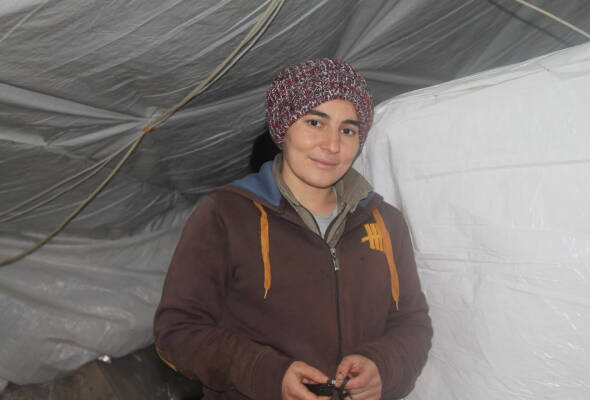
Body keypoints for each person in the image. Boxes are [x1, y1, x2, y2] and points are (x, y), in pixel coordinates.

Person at [153, 58, 432, 400]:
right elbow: (177, 331)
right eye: (315, 122)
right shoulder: (226, 214)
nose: (332, 145)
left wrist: (383, 366)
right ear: (283, 128)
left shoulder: (384, 221)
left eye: (347, 130)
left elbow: (412, 322)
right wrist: (267, 374)